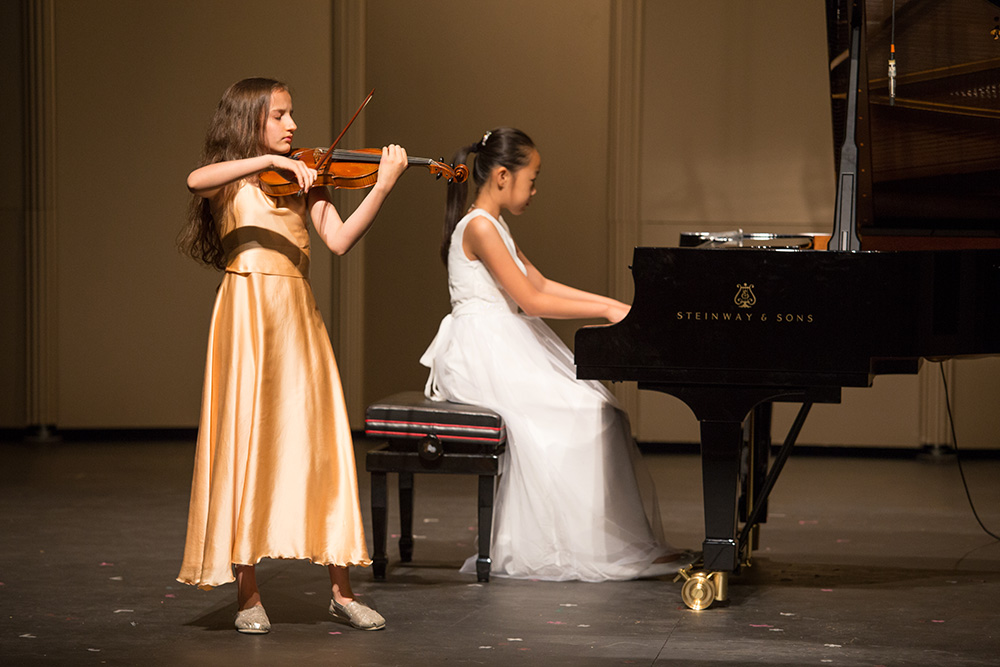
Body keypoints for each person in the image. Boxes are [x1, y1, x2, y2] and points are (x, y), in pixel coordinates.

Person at [176, 77, 408, 634]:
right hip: (246, 313)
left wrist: (381, 186)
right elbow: (196, 179)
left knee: (320, 443)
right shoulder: (233, 177)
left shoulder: (306, 175)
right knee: (246, 443)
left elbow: (340, 240)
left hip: (296, 315)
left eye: (291, 114)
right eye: (280, 115)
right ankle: (248, 595)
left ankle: (342, 592)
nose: (293, 125)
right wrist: (264, 162)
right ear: (249, 119)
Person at [420, 127, 690, 582]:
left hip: (502, 343)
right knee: (584, 414)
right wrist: (607, 309)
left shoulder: (494, 225)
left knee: (601, 410)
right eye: (532, 179)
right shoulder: (480, 226)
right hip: (480, 351)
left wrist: (612, 305)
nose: (534, 190)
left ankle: (607, 541)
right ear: (502, 176)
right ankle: (578, 545)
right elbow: (531, 301)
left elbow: (541, 283)